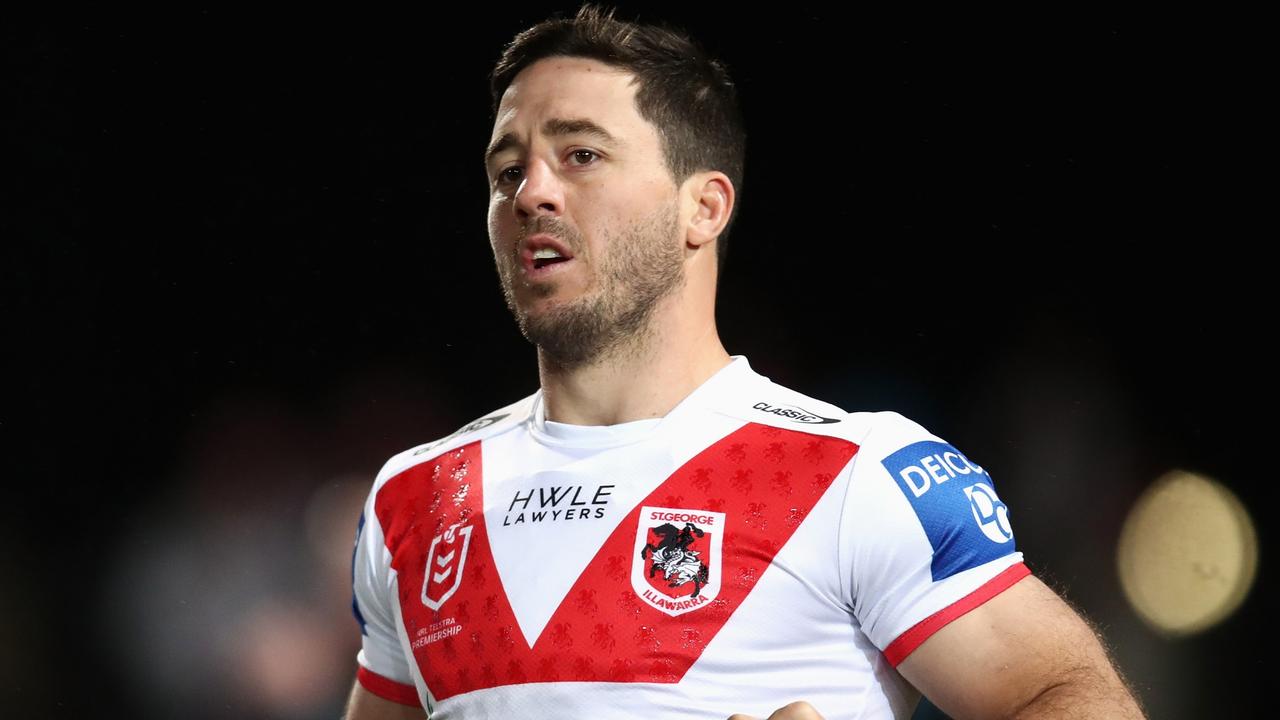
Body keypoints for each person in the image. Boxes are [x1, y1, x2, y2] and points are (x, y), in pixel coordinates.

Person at [344, 5, 1145, 719]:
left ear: (705, 207)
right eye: (506, 170)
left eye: (581, 155)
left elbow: (1073, 700)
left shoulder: (853, 473)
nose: (530, 194)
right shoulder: (415, 499)